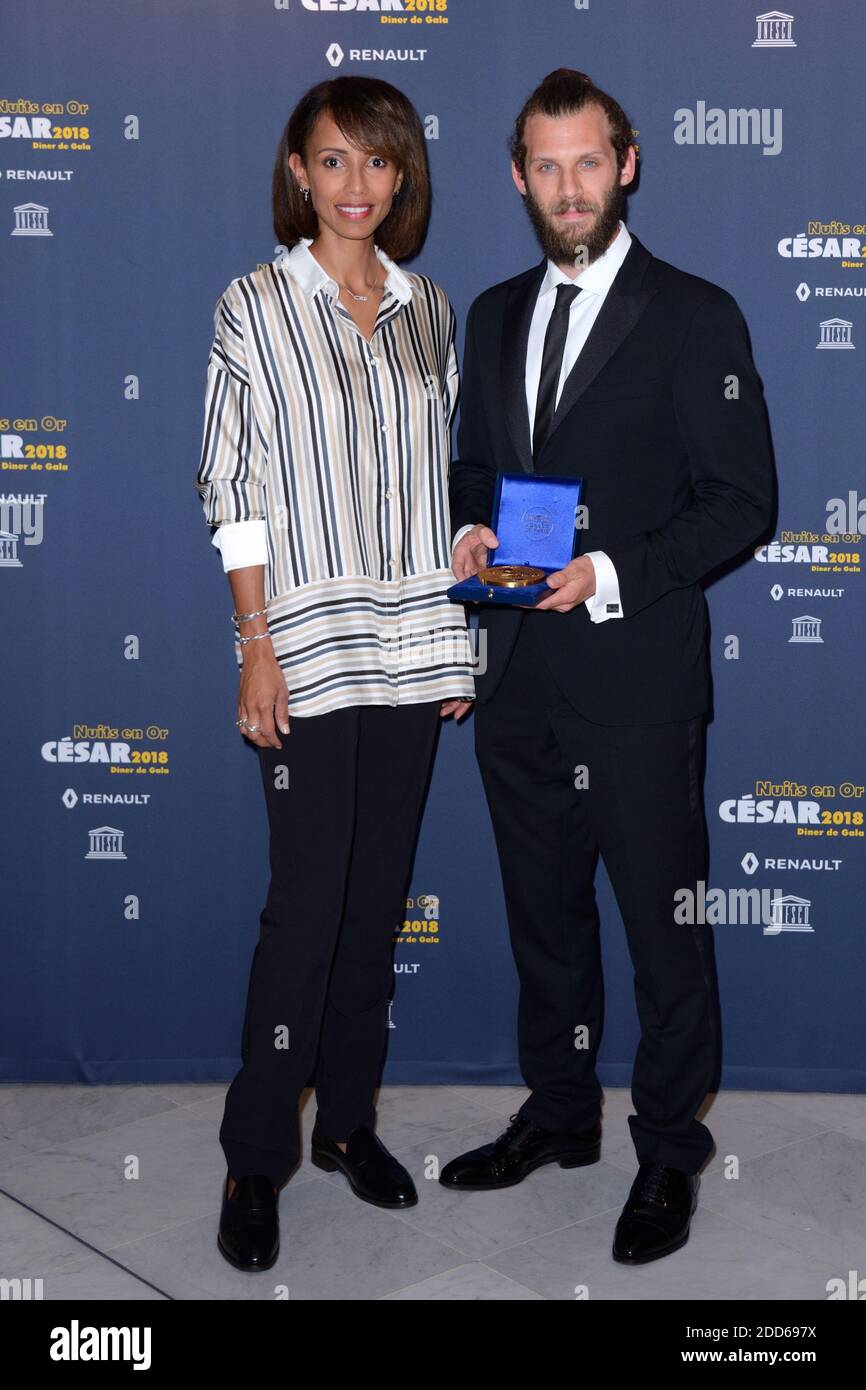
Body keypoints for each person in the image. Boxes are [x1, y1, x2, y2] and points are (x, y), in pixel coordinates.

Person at [444, 68, 775, 1264]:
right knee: (544, 918)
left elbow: (741, 502)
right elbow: (477, 473)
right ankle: (559, 1113)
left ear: (625, 164)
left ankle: (667, 1154)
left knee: (660, 925)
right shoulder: (486, 316)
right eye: (546, 164)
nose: (568, 186)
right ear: (518, 175)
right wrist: (472, 528)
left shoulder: (695, 313)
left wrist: (612, 571)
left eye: (589, 161)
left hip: (634, 682)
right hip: (518, 674)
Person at [195, 75, 474, 1272]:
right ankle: (256, 1154)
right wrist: (254, 646)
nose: (355, 185)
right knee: (304, 911)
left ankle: (346, 1126)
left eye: (376, 162)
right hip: (304, 647)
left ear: (401, 177)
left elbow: (436, 489)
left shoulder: (430, 311)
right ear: (297, 173)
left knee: (375, 902)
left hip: (412, 645)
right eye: (331, 161)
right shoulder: (252, 305)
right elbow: (233, 488)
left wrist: (455, 635)